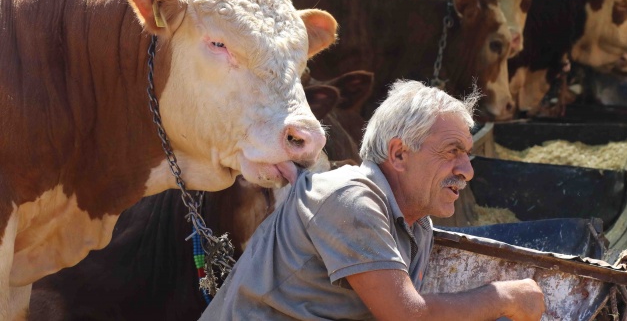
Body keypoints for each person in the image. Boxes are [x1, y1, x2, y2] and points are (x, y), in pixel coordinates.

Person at [199, 80, 545, 320]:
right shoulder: (350, 198)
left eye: (467, 155)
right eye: (453, 152)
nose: (467, 170)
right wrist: (505, 297)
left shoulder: (417, 225)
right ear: (398, 155)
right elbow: (408, 315)